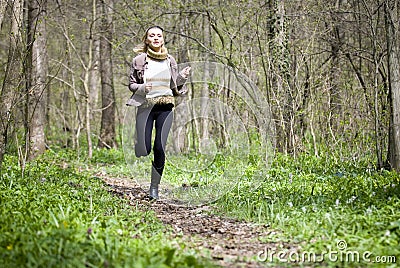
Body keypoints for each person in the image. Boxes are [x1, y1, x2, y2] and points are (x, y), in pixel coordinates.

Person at [127, 26, 191, 200]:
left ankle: (154, 187)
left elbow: (174, 85)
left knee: (159, 147)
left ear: (163, 39)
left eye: (159, 36)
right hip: (145, 106)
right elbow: (131, 84)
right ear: (146, 40)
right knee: (144, 149)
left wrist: (182, 77)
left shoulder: (170, 60)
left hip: (165, 107)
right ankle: (140, 144)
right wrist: (142, 87)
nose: (156, 38)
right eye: (152, 35)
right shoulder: (139, 60)